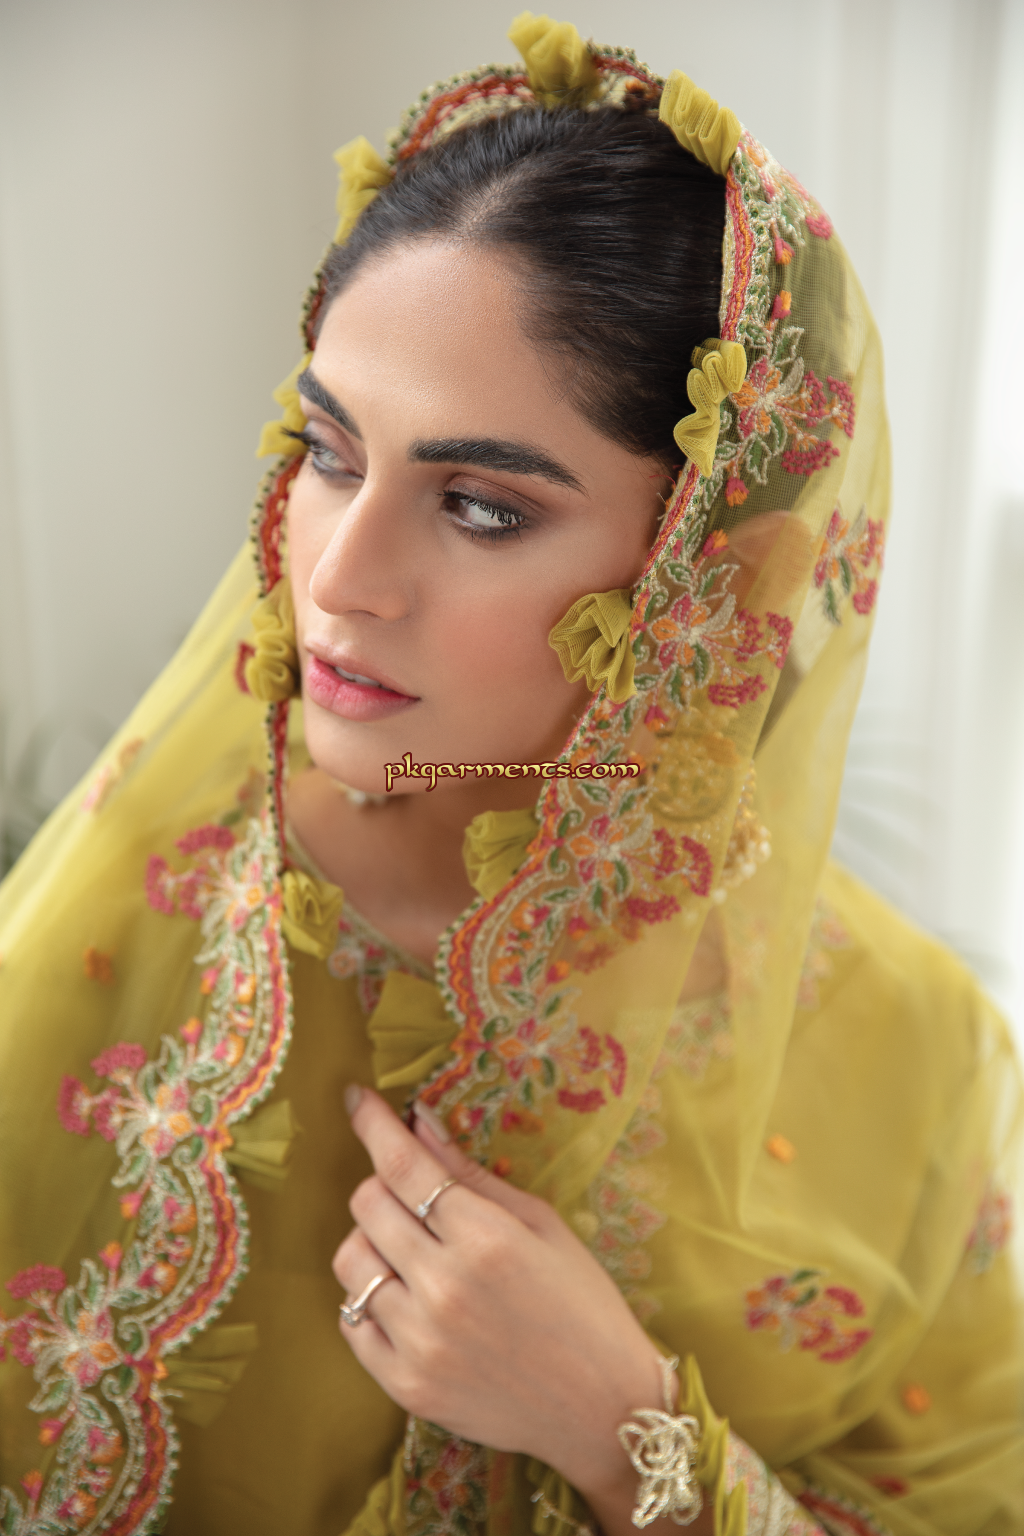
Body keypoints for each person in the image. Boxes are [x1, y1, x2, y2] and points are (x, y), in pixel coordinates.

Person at [0, 13, 1021, 1536]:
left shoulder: (915, 1062)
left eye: (480, 507)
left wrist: (622, 1432)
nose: (338, 578)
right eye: (331, 452)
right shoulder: (104, 948)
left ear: (713, 573)